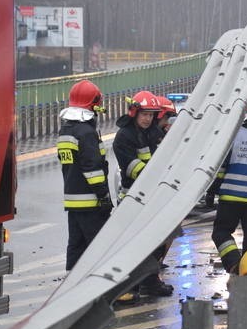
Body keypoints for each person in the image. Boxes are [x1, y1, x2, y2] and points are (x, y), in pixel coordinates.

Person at [113, 90, 172, 298]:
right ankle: (130, 286)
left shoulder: (154, 133)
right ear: (135, 113)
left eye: (151, 114)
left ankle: (150, 281)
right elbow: (134, 169)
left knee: (157, 244)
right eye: (144, 114)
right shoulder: (124, 137)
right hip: (133, 200)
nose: (148, 118)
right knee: (133, 245)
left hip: (154, 198)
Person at [207, 98, 247, 273]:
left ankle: (234, 263)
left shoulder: (232, 134)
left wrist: (212, 192)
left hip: (231, 195)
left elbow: (221, 167)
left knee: (221, 232)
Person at [57, 80, 112, 270]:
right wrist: (103, 195)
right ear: (94, 103)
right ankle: (103, 288)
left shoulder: (66, 130)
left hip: (73, 201)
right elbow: (93, 168)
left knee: (76, 245)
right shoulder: (86, 132)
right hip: (90, 202)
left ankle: (71, 284)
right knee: (100, 247)